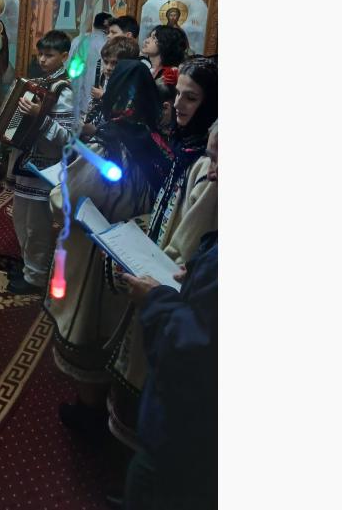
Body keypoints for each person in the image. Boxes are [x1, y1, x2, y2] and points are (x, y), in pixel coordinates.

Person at [43, 61, 171, 440]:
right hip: (136, 250)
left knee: (90, 326)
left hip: (96, 249)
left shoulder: (107, 146)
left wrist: (57, 193)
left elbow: (70, 196)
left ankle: (89, 409)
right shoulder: (158, 143)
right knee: (119, 327)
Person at [108, 57, 217, 449]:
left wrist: (145, 256)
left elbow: (187, 237)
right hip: (156, 255)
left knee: (149, 363)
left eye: (192, 98)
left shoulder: (207, 166)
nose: (179, 105)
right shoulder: (186, 145)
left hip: (169, 276)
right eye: (178, 94)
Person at [121, 123, 217, 510]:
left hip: (190, 431)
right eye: (212, 159)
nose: (213, 174)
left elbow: (197, 346)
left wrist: (156, 299)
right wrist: (198, 270)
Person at [7, 31, 78, 295]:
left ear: (64, 56)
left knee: (36, 225)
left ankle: (35, 276)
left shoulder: (65, 90)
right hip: (25, 161)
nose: (43, 60)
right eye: (41, 54)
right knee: (20, 217)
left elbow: (68, 137)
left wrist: (40, 116)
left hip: (46, 166)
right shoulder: (38, 83)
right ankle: (28, 264)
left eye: (49, 55)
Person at [81, 35, 140, 140]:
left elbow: (124, 124)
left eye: (115, 63)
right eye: (106, 62)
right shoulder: (107, 79)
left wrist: (96, 131)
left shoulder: (133, 86)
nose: (108, 68)